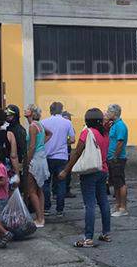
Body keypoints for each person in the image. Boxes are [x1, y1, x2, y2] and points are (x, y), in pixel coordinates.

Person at [59, 108, 111, 247]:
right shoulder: (105, 133)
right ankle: (106, 233)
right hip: (103, 169)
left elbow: (76, 153)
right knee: (104, 202)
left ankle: (88, 238)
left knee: (90, 204)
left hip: (89, 172)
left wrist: (66, 170)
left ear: (87, 121)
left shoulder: (87, 132)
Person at [42, 101, 75, 217]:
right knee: (61, 183)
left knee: (46, 182)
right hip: (62, 157)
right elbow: (72, 140)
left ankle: (46, 208)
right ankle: (59, 210)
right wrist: (63, 142)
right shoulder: (67, 123)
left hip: (47, 156)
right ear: (61, 110)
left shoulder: (43, 122)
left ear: (50, 110)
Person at [24, 104, 51, 228]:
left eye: (27, 109)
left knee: (31, 190)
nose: (25, 110)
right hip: (42, 157)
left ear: (32, 113)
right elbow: (49, 134)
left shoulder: (32, 127)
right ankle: (42, 217)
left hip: (35, 159)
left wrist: (27, 161)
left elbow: (32, 146)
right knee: (39, 189)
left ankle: (39, 218)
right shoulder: (40, 125)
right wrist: (42, 144)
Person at [106, 104, 129, 217]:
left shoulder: (120, 125)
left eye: (108, 112)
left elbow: (120, 142)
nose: (107, 113)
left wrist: (115, 156)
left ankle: (123, 207)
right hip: (112, 158)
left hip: (118, 159)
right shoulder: (114, 125)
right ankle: (117, 205)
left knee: (120, 183)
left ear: (114, 113)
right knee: (115, 183)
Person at [61, 111, 76, 198]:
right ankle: (65, 190)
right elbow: (72, 139)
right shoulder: (67, 126)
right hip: (65, 149)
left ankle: (61, 190)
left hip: (65, 150)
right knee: (66, 170)